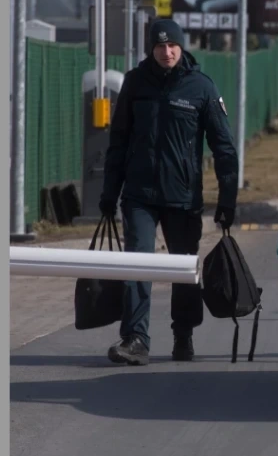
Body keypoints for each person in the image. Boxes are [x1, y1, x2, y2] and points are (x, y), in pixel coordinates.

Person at [98, 19, 239, 366]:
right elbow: (118, 142)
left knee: (181, 268)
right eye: (160, 46)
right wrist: (109, 192)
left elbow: (224, 149)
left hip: (182, 196)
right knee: (137, 264)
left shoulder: (201, 87)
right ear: (151, 48)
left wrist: (227, 199)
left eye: (172, 45)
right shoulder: (135, 83)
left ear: (181, 46)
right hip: (139, 193)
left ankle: (184, 334)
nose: (167, 52)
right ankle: (135, 338)